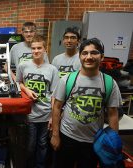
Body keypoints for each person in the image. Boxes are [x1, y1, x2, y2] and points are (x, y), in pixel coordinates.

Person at [51, 38, 122, 168]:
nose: (89, 57)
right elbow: (56, 107)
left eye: (94, 53)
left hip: (93, 141)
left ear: (102, 57)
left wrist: (113, 142)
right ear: (80, 56)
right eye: (84, 53)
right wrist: (55, 135)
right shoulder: (67, 80)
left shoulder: (110, 83)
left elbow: (113, 114)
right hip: (67, 137)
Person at [16, 35, 59, 168]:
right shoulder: (23, 65)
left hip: (45, 114)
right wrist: (27, 91)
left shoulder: (52, 69)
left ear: (45, 49)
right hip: (29, 113)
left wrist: (53, 116)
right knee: (29, 145)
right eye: (33, 48)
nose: (36, 51)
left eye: (39, 48)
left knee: (42, 145)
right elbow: (18, 82)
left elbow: (53, 95)